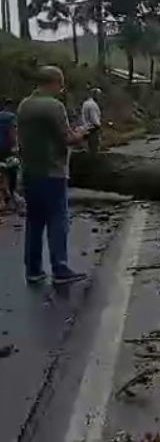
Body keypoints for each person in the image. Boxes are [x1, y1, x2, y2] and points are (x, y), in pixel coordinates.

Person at [18, 66, 90, 285]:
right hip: (53, 172)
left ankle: (33, 269)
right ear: (55, 82)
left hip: (30, 172)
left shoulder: (24, 105)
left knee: (34, 221)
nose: (61, 89)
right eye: (61, 84)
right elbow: (67, 139)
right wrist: (81, 133)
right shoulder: (54, 106)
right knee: (57, 220)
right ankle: (60, 268)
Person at [0, 98, 19, 212]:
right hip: (7, 149)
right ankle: (10, 195)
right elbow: (12, 132)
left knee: (2, 172)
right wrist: (16, 147)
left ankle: (3, 195)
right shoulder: (11, 117)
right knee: (12, 169)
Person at [81, 88, 103, 154]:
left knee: (88, 149)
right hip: (93, 130)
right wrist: (99, 127)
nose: (100, 97)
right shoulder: (93, 105)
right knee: (94, 150)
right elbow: (94, 120)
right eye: (99, 95)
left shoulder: (85, 103)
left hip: (86, 129)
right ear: (95, 95)